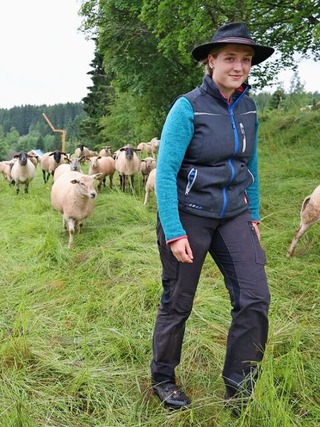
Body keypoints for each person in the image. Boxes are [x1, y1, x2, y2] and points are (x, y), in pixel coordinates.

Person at [150, 22, 274, 411]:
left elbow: (249, 162)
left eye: (246, 60)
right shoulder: (188, 107)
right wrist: (174, 231)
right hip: (189, 216)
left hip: (234, 215)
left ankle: (239, 389)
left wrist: (252, 212)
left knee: (255, 298)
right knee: (178, 301)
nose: (239, 67)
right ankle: (163, 379)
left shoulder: (248, 106)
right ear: (211, 61)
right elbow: (166, 172)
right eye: (230, 58)